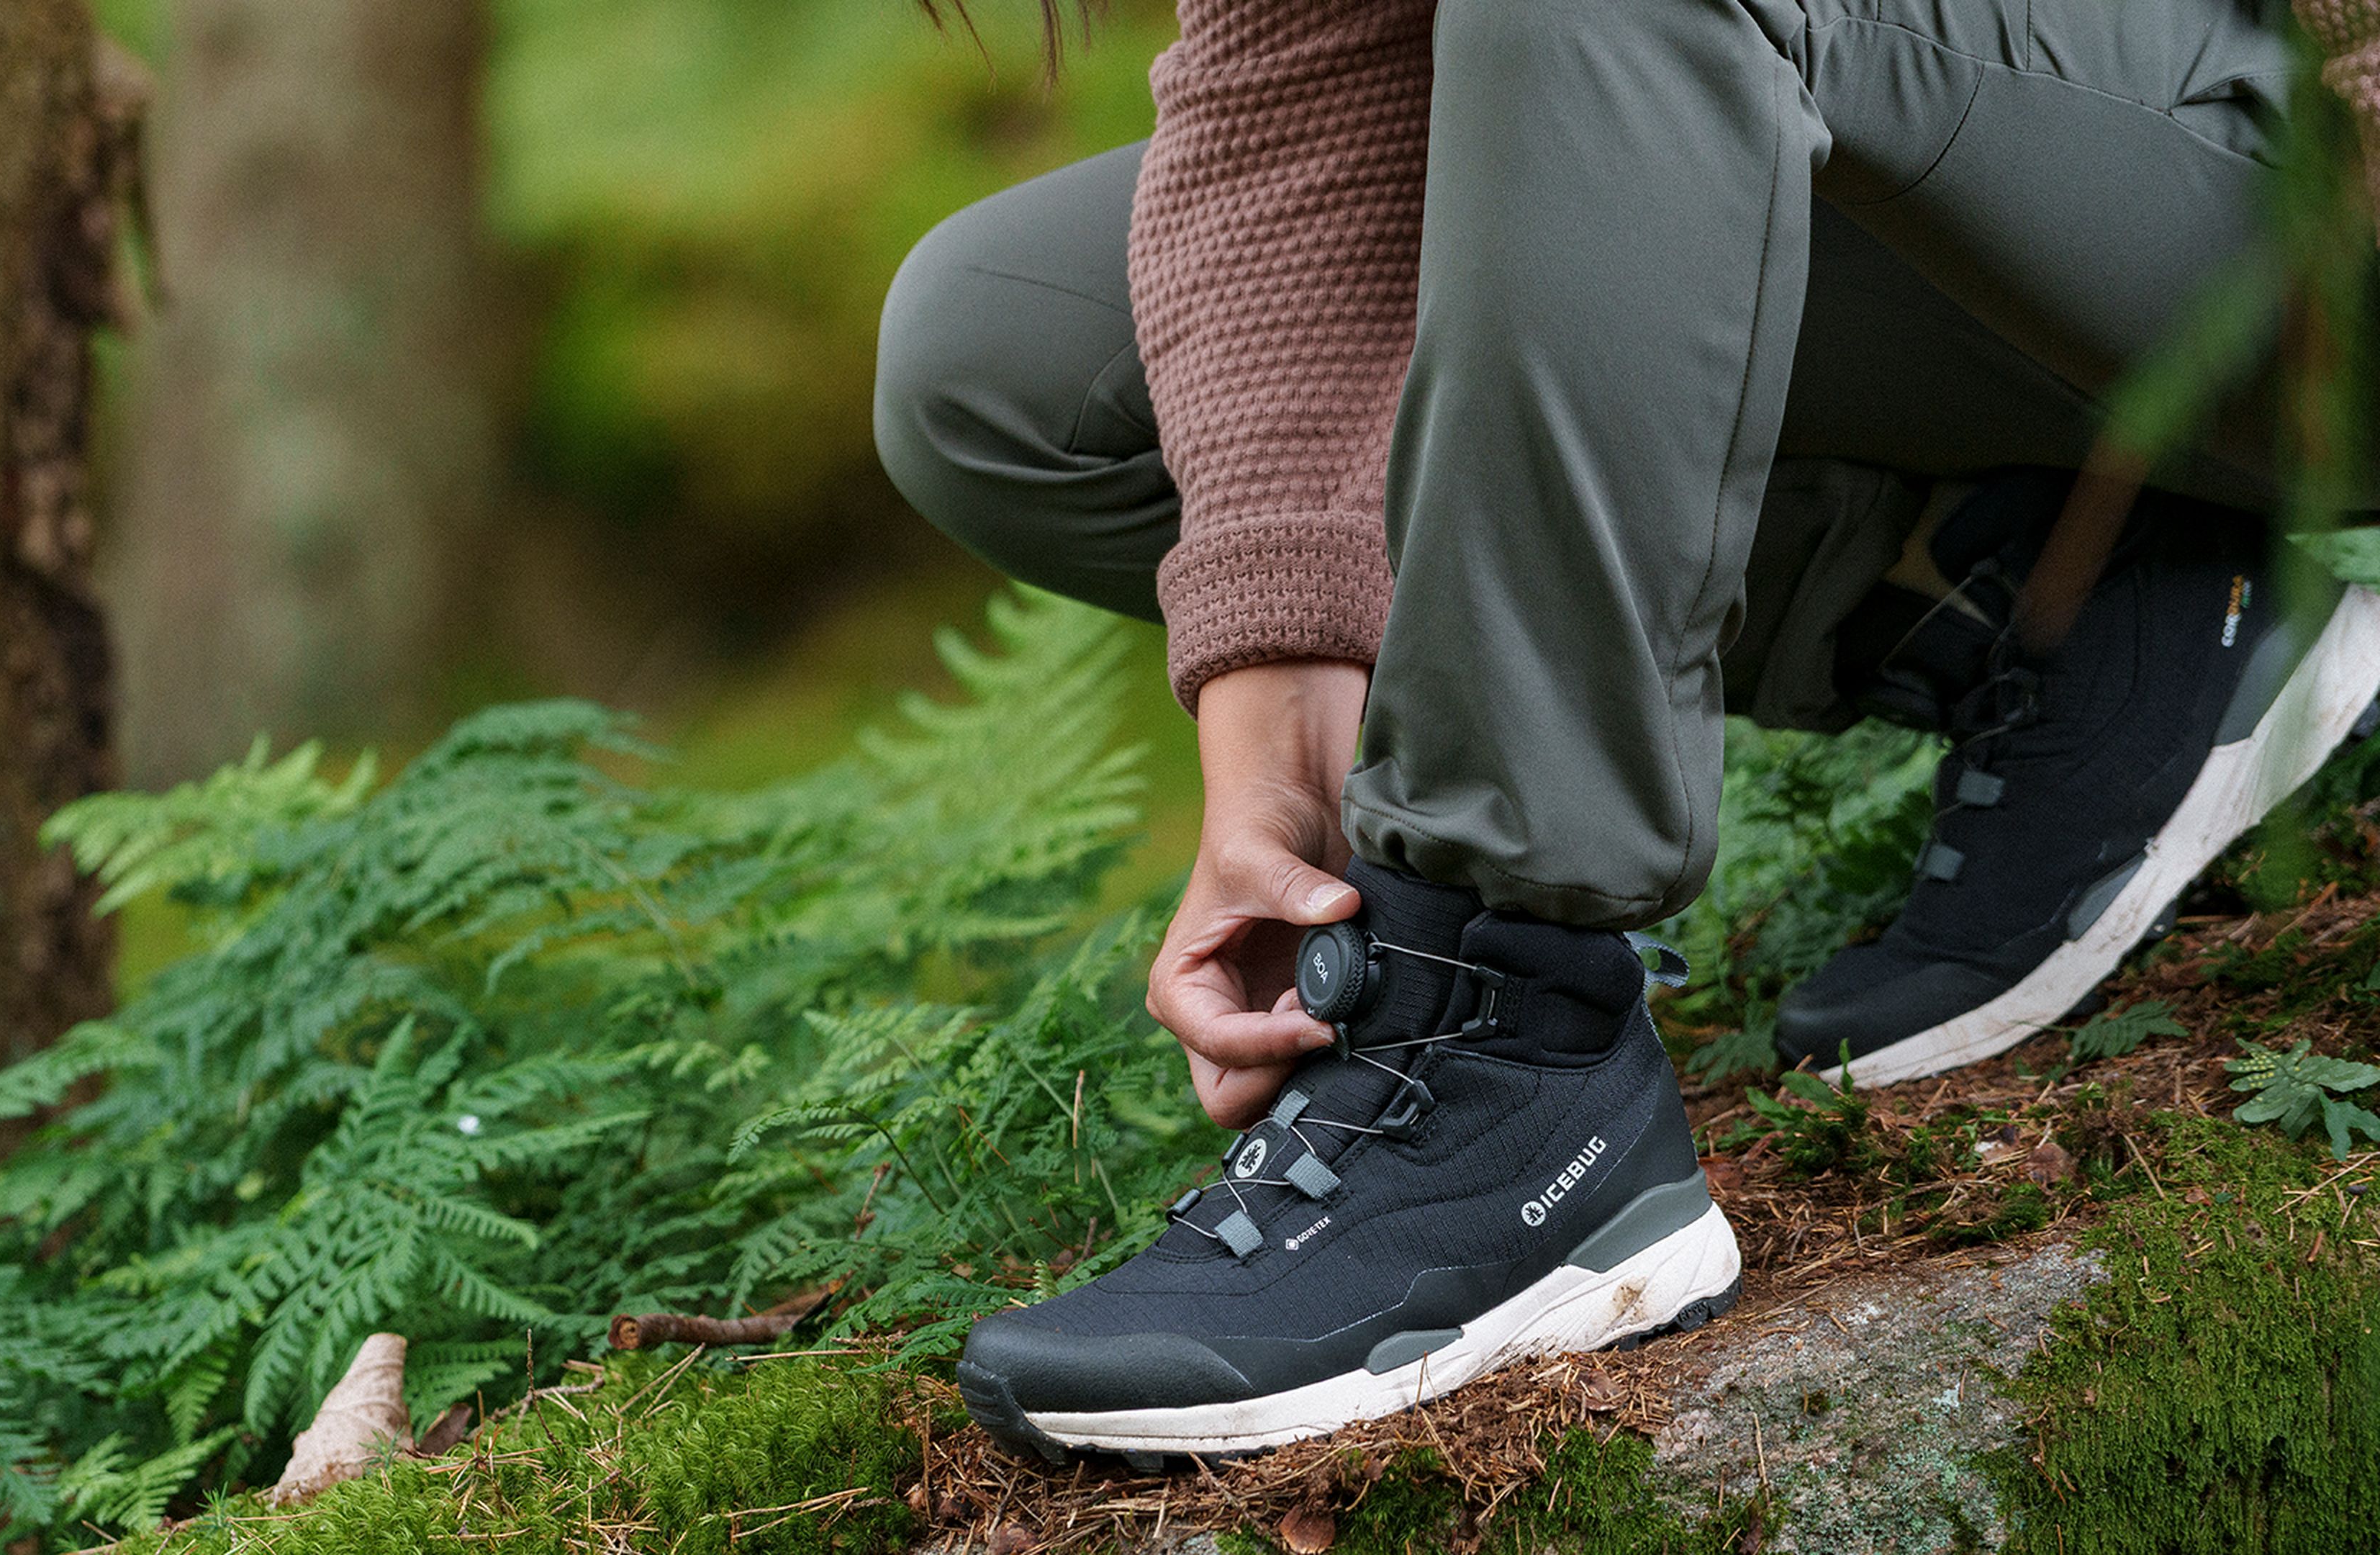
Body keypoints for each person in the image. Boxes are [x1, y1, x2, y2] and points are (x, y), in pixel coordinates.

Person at [872, 0, 2380, 1466]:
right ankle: (2044, 594)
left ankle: (1514, 1053)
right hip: (2027, 170)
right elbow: (1301, 76)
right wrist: (1279, 703)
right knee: (1009, 358)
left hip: (2314, 174)